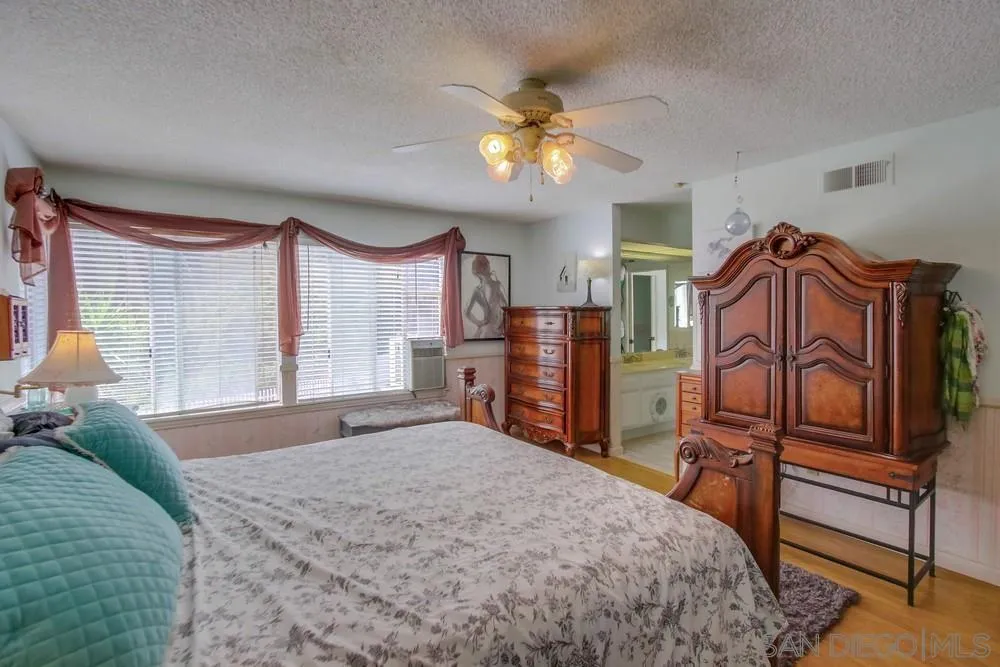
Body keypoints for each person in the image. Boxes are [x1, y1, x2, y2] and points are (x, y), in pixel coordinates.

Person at [465, 254, 508, 338]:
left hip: (496, 329)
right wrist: (479, 323)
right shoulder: (478, 290)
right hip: (488, 329)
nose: (486, 267)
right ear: (478, 271)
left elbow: (507, 308)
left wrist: (502, 325)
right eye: (483, 265)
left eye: (486, 264)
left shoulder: (497, 285)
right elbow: (466, 311)